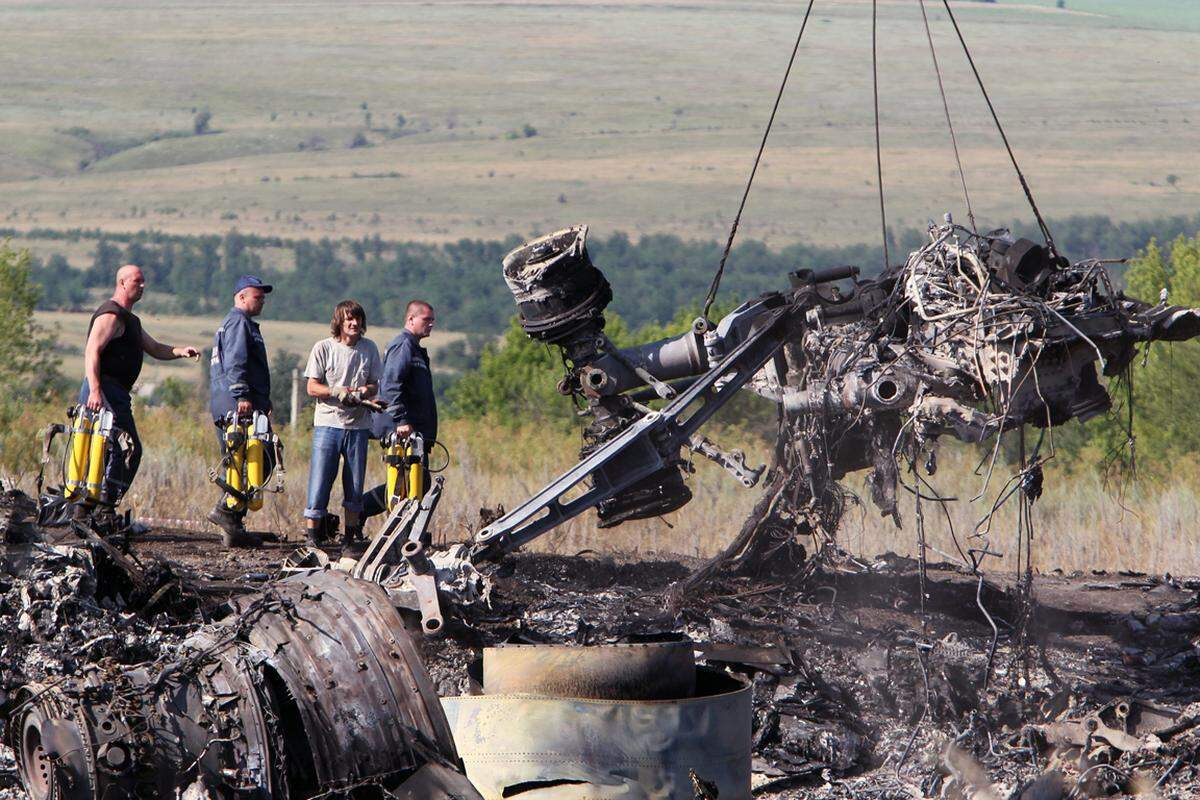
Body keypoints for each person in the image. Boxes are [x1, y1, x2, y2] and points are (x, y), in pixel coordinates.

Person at [79, 264, 200, 515]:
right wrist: (95, 390)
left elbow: (155, 348)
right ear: (122, 283)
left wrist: (180, 351)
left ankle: (101, 507)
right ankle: (97, 509)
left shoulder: (129, 319)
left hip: (117, 393)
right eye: (137, 281)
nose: (143, 286)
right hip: (104, 391)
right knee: (120, 447)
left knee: (124, 448)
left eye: (144, 281)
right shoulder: (110, 315)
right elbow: (92, 351)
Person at [303, 300, 382, 548]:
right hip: (328, 423)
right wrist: (335, 391)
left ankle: (349, 537)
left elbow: (374, 384)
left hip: (358, 426)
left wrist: (362, 392)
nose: (355, 323)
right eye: (349, 319)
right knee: (320, 480)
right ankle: (313, 537)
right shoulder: (323, 348)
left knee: (355, 484)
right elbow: (311, 386)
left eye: (358, 319)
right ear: (339, 321)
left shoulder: (369, 349)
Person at [207, 275, 274, 548]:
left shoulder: (240, 322)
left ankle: (233, 528)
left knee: (241, 461)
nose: (262, 301)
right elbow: (236, 361)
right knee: (255, 461)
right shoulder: (238, 322)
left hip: (239, 402)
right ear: (241, 297)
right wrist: (243, 395)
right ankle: (225, 512)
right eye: (258, 296)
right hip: (237, 404)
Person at [363, 301, 438, 521]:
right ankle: (360, 512)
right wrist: (401, 420)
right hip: (404, 430)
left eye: (432, 320)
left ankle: (405, 529)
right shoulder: (403, 345)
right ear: (410, 319)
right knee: (405, 481)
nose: (431, 324)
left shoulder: (415, 348)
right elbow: (391, 385)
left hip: (417, 430)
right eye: (427, 319)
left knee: (418, 482)